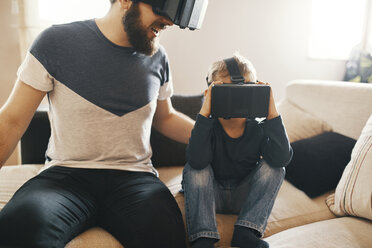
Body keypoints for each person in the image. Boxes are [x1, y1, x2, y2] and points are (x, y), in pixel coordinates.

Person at [0, 0, 196, 247]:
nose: (168, 22)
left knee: (166, 234)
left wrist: (210, 134)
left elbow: (165, 117)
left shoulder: (158, 56)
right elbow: (11, 120)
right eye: (161, 10)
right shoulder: (55, 42)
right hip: (65, 176)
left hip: (134, 178)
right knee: (17, 227)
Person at [182, 53, 293, 248]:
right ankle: (203, 238)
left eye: (244, 90)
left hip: (244, 195)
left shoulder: (257, 127)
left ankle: (246, 231)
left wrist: (272, 113)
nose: (237, 99)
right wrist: (204, 114)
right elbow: (197, 161)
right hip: (211, 194)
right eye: (228, 90)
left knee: (275, 168)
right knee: (194, 169)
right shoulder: (208, 126)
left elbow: (281, 158)